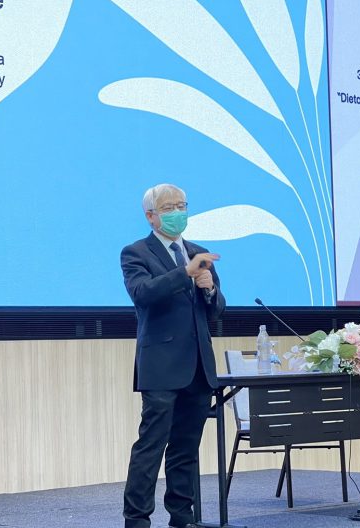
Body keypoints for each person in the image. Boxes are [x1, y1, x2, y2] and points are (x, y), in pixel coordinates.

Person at [121, 183, 225, 528]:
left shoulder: (198, 252)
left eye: (182, 205)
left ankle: (182, 516)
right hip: (161, 367)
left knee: (186, 448)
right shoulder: (136, 253)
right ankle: (137, 519)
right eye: (169, 208)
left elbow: (216, 311)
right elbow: (143, 293)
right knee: (151, 446)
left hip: (198, 367)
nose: (178, 212)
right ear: (151, 216)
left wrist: (209, 289)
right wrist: (185, 273)